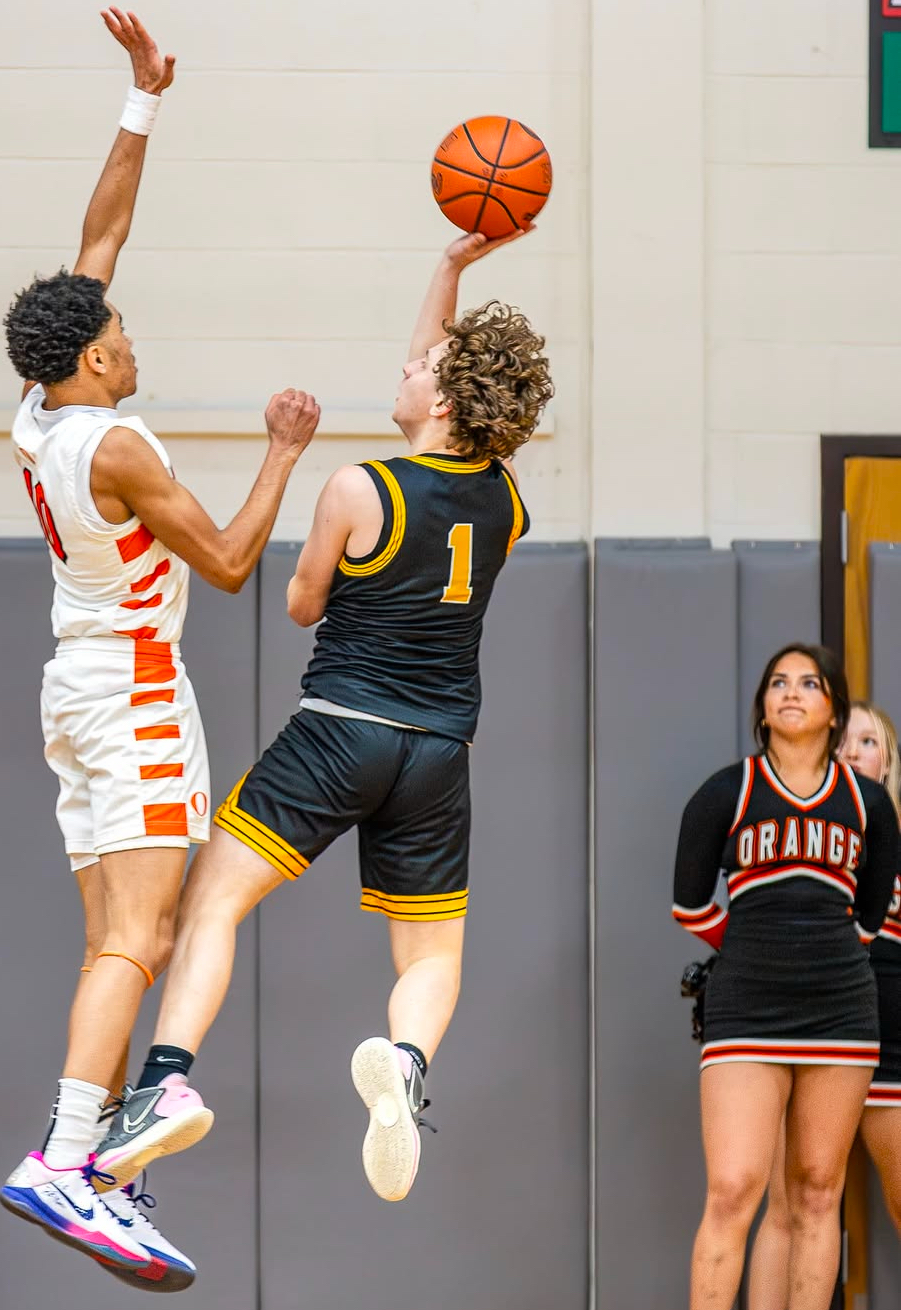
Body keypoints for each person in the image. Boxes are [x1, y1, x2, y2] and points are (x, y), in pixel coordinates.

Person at [90, 226, 554, 1205]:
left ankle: (163, 1080)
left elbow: (302, 602)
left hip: (340, 727)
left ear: (445, 395)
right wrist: (450, 268)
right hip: (436, 751)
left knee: (212, 899)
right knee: (432, 951)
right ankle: (410, 1065)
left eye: (419, 362)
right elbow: (444, 391)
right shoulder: (506, 502)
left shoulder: (359, 484)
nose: (405, 360)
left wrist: (326, 558)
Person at [0, 8, 319, 1288]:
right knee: (142, 941)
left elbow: (99, 238)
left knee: (117, 942)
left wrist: (142, 103)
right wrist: (285, 450)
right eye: (118, 336)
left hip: (74, 681)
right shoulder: (115, 447)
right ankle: (70, 1157)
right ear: (89, 360)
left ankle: (99, 1164)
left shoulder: (37, 412)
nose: (134, 338)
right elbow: (235, 565)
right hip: (128, 685)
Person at [673, 645, 900, 1310]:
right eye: (777, 683)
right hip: (746, 1012)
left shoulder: (866, 806)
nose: (790, 692)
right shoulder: (727, 791)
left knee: (815, 1194)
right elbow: (687, 903)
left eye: (807, 683)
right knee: (733, 1190)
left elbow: (865, 917)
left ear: (832, 709)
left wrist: (819, 953)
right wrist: (751, 949)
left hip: (839, 1014)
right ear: (763, 708)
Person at [747, 699, 901, 1310]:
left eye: (868, 742)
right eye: (843, 743)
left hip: (889, 1039)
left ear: (887, 759)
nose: (853, 754)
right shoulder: (799, 839)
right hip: (812, 1031)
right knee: (789, 1204)